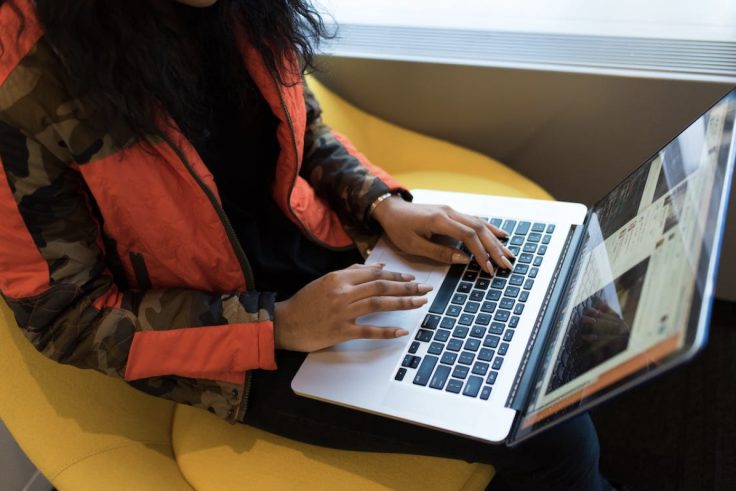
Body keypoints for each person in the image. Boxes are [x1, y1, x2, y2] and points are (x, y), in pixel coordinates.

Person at [0, 0, 614, 489]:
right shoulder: (21, 82)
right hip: (224, 337)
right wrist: (280, 323)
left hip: (323, 249)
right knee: (545, 431)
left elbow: (304, 130)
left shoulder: (246, 11)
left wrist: (383, 205)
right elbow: (66, 317)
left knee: (559, 310)